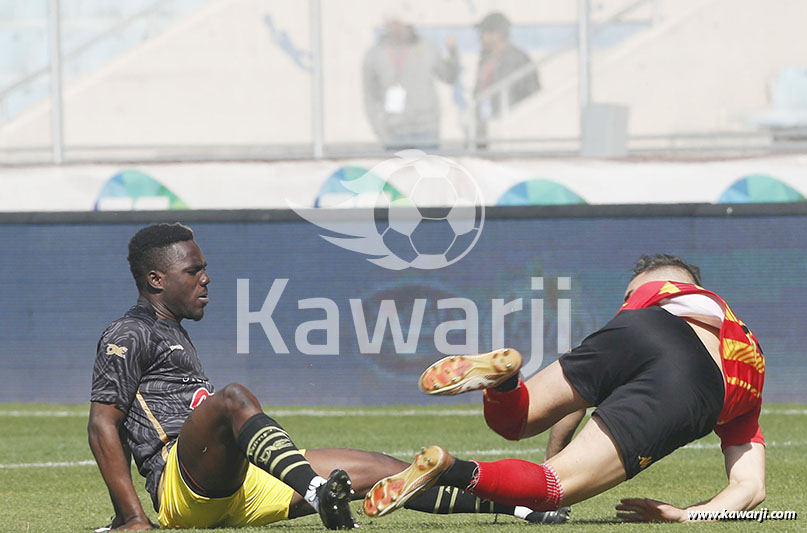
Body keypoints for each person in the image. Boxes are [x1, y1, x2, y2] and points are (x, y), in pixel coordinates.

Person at [88, 223, 568, 530]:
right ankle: (318, 494)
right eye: (193, 271)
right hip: (183, 485)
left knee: (387, 470)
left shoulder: (171, 331)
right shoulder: (129, 332)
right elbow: (102, 425)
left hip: (240, 487)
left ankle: (522, 510)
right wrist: (132, 517)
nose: (206, 279)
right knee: (233, 398)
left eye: (205, 269)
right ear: (156, 280)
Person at [363, 254, 766, 523]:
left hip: (640, 334)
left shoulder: (646, 300)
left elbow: (579, 399)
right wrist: (689, 515)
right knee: (552, 487)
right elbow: (750, 487)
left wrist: (554, 454)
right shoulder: (744, 352)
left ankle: (504, 379)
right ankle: (449, 469)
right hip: (705, 382)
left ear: (653, 289)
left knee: (515, 420)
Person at [362, 10, 458, 150]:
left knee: (428, 172)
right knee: (399, 173)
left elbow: (449, 77)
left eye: (401, 22)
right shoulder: (374, 55)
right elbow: (370, 98)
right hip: (394, 135)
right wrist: (380, 133)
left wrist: (453, 52)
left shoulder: (427, 47)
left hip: (426, 131)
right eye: (393, 22)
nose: (397, 27)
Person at [473, 12, 540, 149]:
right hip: (484, 132)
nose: (481, 37)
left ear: (497, 34)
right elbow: (479, 92)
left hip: (508, 134)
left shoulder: (519, 60)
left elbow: (533, 96)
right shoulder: (485, 58)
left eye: (484, 32)